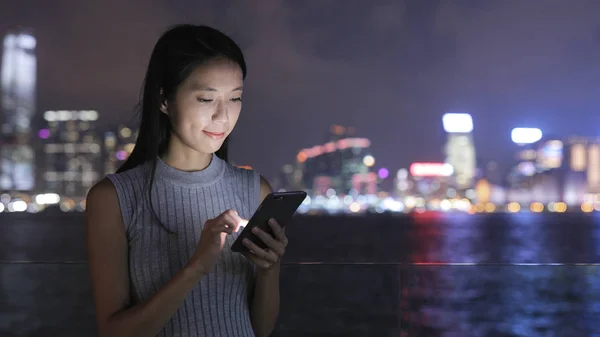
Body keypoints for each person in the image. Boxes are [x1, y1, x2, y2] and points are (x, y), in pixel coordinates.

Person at [85, 24, 287, 337]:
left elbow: (258, 329)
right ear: (164, 99)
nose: (223, 116)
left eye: (235, 98)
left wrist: (269, 268)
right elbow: (114, 332)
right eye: (207, 99)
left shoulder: (254, 190)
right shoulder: (114, 198)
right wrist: (196, 267)